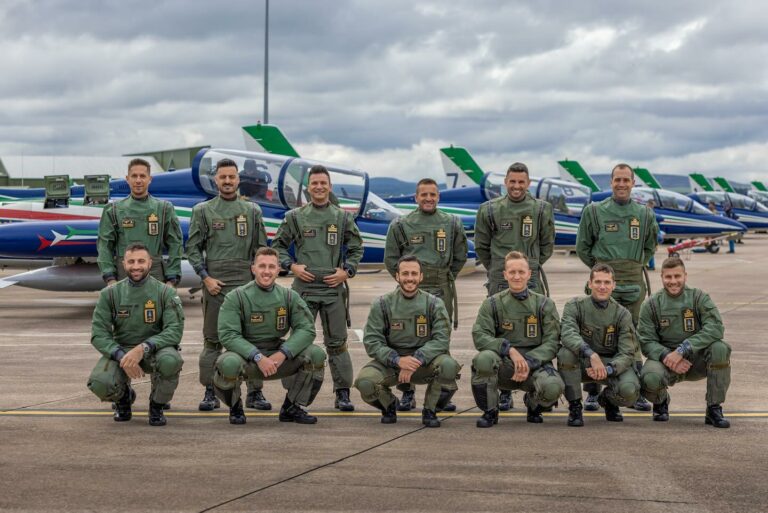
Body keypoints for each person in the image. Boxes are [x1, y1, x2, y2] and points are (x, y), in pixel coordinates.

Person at [271, 165, 364, 411]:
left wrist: (347, 271)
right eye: (315, 183)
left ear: (330, 187)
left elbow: (356, 248)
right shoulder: (295, 217)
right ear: (308, 187)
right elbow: (278, 246)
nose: (319, 187)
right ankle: (293, 393)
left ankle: (342, 393)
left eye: (323, 183)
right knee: (298, 342)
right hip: (304, 289)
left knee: (338, 343)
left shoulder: (342, 218)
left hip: (333, 289)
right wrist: (292, 266)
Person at [186, 158, 269, 412]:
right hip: (215, 286)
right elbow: (192, 249)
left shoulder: (252, 211)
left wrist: (258, 283)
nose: (227, 181)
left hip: (246, 287)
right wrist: (205, 278)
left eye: (232, 177)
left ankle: (255, 392)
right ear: (216, 180)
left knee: (252, 338)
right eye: (223, 177)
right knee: (212, 341)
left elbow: (261, 250)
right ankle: (210, 391)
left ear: (238, 179)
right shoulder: (203, 211)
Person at [576, 163, 658, 412]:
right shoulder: (594, 211)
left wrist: (631, 267)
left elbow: (650, 246)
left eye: (626, 180)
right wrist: (602, 272)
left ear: (633, 183)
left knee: (631, 335)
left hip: (633, 283)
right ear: (611, 182)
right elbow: (582, 247)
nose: (621, 184)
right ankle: (592, 392)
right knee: (595, 332)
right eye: (617, 180)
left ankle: (637, 390)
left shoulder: (644, 214)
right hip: (602, 282)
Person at [473, 162, 555, 411]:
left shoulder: (541, 209)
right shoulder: (489, 210)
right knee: (501, 330)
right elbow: (481, 246)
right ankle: (504, 389)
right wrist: (498, 269)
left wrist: (529, 268)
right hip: (500, 278)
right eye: (512, 181)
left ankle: (535, 384)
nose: (516, 186)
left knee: (533, 330)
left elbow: (547, 244)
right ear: (505, 182)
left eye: (521, 182)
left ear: (528, 183)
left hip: (531, 278)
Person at [213, 247, 326, 425]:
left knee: (316, 355)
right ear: (253, 269)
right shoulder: (236, 297)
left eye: (271, 267)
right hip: (246, 358)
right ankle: (235, 407)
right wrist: (257, 357)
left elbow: (307, 329)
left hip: (277, 356)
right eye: (262, 266)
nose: (267, 271)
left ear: (278, 269)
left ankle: (291, 407)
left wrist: (283, 353)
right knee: (227, 364)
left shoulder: (289, 296)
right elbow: (228, 335)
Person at [384, 177, 467, 413]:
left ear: (438, 197)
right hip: (410, 288)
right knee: (406, 338)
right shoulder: (401, 224)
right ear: (416, 197)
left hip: (441, 287)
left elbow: (460, 255)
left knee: (441, 338)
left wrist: (443, 276)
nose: (428, 198)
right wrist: (408, 281)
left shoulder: (452, 223)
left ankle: (441, 391)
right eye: (424, 195)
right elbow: (391, 259)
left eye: (432, 194)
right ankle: (407, 391)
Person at [354, 256, 459, 427]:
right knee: (365, 383)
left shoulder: (434, 304)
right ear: (397, 276)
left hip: (425, 363)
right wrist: (397, 360)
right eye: (405, 273)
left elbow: (441, 340)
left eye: (414, 274)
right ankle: (389, 405)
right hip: (392, 363)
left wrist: (416, 359)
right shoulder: (382, 304)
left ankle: (430, 410)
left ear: (421, 276)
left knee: (448, 366)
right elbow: (372, 341)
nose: (409, 278)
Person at [86, 243, 184, 426]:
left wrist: (143, 348)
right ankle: (123, 398)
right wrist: (120, 355)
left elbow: (174, 331)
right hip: (122, 351)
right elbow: (99, 334)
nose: (136, 266)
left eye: (141, 261)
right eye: (131, 262)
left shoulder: (165, 292)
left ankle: (157, 405)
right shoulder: (110, 294)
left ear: (150, 263)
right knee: (100, 382)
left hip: (155, 350)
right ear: (123, 264)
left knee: (171, 361)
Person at [470, 251, 564, 428]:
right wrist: (508, 349)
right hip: (505, 365)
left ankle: (534, 404)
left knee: (553, 387)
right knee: (483, 359)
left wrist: (529, 361)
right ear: (505, 274)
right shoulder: (492, 304)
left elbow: (552, 342)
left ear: (529, 274)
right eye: (512, 272)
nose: (517, 276)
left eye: (521, 272)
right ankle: (490, 411)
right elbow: (480, 336)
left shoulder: (544, 304)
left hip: (535, 365)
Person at [638, 257, 731, 428]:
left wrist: (683, 349)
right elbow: (646, 341)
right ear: (662, 277)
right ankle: (661, 401)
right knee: (649, 377)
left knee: (720, 348)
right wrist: (667, 355)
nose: (673, 281)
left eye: (677, 276)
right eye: (668, 277)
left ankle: (714, 408)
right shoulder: (651, 304)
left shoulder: (698, 297)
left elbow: (716, 328)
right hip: (666, 360)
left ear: (685, 276)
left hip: (696, 359)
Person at [557, 264, 641, 426]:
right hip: (583, 361)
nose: (602, 287)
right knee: (565, 354)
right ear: (590, 284)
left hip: (610, 364)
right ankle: (575, 406)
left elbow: (627, 352)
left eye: (607, 282)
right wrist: (591, 354)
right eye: (598, 282)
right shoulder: (575, 306)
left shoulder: (622, 314)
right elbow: (567, 334)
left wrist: (608, 369)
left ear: (614, 285)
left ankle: (609, 400)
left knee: (630, 391)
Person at [97, 158, 183, 287]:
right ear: (127, 179)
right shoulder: (113, 210)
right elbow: (104, 245)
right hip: (124, 275)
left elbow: (175, 243)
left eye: (142, 176)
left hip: (155, 274)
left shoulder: (164, 209)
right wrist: (110, 278)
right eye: (134, 176)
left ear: (150, 179)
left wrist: (172, 278)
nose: (138, 180)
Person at [645, 200, 657, 270]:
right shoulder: (650, 212)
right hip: (651, 235)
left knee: (649, 251)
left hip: (650, 235)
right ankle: (650, 265)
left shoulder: (649, 212)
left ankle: (651, 266)